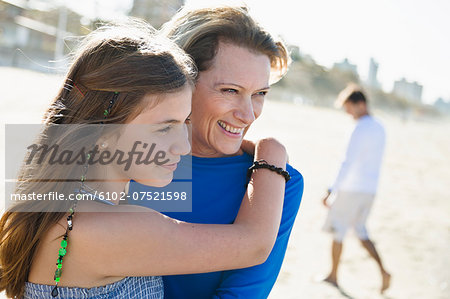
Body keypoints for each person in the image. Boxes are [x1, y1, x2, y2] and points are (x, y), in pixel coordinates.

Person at [0, 20, 290, 299]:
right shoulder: (110, 228)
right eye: (165, 127)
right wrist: (272, 151)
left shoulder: (62, 203)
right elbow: (254, 245)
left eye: (185, 122)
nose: (183, 145)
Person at [135, 6, 304, 299]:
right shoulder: (119, 157)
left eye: (259, 94)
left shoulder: (274, 185)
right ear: (178, 81)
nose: (248, 114)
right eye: (229, 90)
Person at [321, 84, 391, 293]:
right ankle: (383, 271)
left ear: (360, 104)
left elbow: (347, 161)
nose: (347, 112)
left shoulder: (359, 128)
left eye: (349, 107)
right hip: (370, 189)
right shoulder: (380, 127)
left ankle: (333, 276)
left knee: (338, 233)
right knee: (360, 231)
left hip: (351, 188)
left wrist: (331, 189)